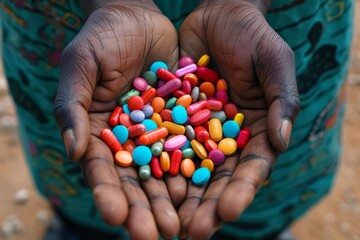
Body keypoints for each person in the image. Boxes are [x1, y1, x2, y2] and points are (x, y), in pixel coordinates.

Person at [0, 0, 354, 239]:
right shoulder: (156, 111)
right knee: (84, 180)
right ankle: (81, 228)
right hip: (75, 23)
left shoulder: (190, 113)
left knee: (262, 191)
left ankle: (263, 230)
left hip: (272, 23)